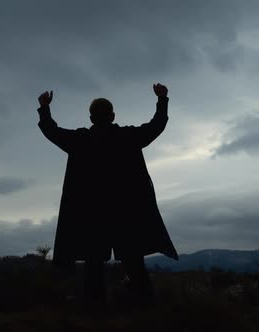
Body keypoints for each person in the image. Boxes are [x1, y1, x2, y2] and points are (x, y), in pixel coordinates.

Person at [36, 83, 178, 305]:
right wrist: (162, 99)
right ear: (113, 116)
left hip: (91, 215)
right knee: (134, 263)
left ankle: (96, 313)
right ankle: (145, 309)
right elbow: (156, 125)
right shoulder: (128, 137)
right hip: (126, 213)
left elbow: (51, 131)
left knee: (93, 266)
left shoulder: (80, 140)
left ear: (91, 118)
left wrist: (44, 108)